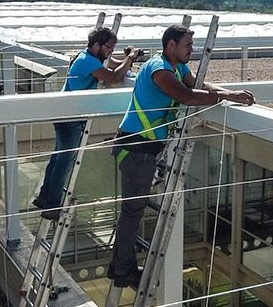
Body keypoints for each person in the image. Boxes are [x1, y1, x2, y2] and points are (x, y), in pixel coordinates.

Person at [107, 25, 256, 289]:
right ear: (171, 45)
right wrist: (228, 95)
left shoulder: (176, 68)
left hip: (141, 149)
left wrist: (227, 93)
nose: (192, 49)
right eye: (188, 45)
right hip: (136, 149)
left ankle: (119, 267)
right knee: (132, 213)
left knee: (131, 213)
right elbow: (186, 96)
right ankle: (123, 271)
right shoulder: (160, 70)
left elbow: (197, 85)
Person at [33, 27, 142, 220]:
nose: (110, 51)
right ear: (96, 44)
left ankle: (44, 197)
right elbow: (114, 76)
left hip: (66, 114)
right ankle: (52, 207)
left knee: (58, 159)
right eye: (108, 47)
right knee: (64, 162)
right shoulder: (87, 62)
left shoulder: (88, 58)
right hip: (71, 117)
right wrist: (131, 58)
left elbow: (113, 64)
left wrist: (126, 58)